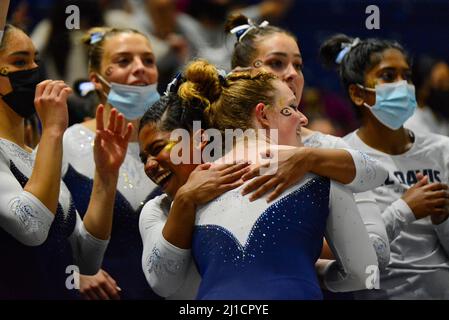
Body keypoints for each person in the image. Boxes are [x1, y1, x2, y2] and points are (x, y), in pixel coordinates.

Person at [139, 60, 379, 299]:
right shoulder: (161, 209)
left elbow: (372, 172)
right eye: (292, 108)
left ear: (200, 139)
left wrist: (309, 157)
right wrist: (184, 199)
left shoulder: (306, 166)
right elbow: (162, 283)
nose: (149, 165)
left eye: (158, 148)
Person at [0, 24, 131, 299]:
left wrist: (106, 178)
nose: (34, 70)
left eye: (36, 59)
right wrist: (52, 130)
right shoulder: (41, 145)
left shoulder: (35, 156)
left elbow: (86, 259)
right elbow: (32, 228)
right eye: (20, 62)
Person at [319, 33, 449, 299]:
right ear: (357, 93)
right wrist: (404, 210)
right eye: (388, 76)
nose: (403, 85)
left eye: (407, 76)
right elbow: (352, 258)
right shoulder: (342, 157)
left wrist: (443, 220)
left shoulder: (442, 149)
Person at [223, 13, 387, 203]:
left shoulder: (323, 147)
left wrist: (309, 158)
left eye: (298, 65)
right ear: (240, 75)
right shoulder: (211, 141)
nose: (293, 73)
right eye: (276, 63)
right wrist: (186, 199)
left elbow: (377, 174)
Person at [61, 27, 161, 300]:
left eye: (148, 60)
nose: (140, 68)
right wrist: (72, 273)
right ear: (96, 80)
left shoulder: (179, 144)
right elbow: (42, 235)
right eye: (124, 60)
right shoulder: (67, 142)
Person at [405, 56, 449, 136]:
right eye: (441, 83)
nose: (446, 87)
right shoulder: (411, 122)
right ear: (423, 89)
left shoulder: (438, 117)